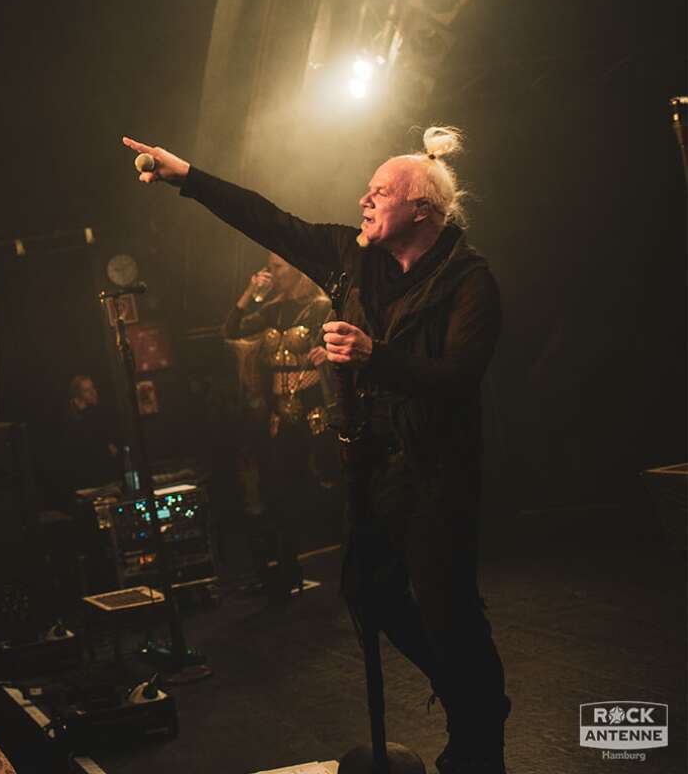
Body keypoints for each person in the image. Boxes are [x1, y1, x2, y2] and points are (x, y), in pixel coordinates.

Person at [123, 126, 507, 773]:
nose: (364, 199)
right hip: (374, 466)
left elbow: (458, 378)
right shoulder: (351, 258)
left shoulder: (470, 283)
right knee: (366, 591)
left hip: (438, 470)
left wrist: (373, 355)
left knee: (449, 609)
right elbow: (269, 220)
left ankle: (480, 733)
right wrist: (186, 175)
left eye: (380, 191)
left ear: (422, 209)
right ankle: (467, 694)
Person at [223, 253, 333, 603]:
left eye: (278, 266)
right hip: (279, 415)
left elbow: (344, 340)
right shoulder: (272, 311)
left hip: (314, 409)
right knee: (281, 491)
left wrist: (327, 354)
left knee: (327, 482)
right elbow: (231, 330)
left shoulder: (320, 307)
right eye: (269, 267)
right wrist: (249, 292)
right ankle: (288, 567)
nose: (272, 272)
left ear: (296, 267)